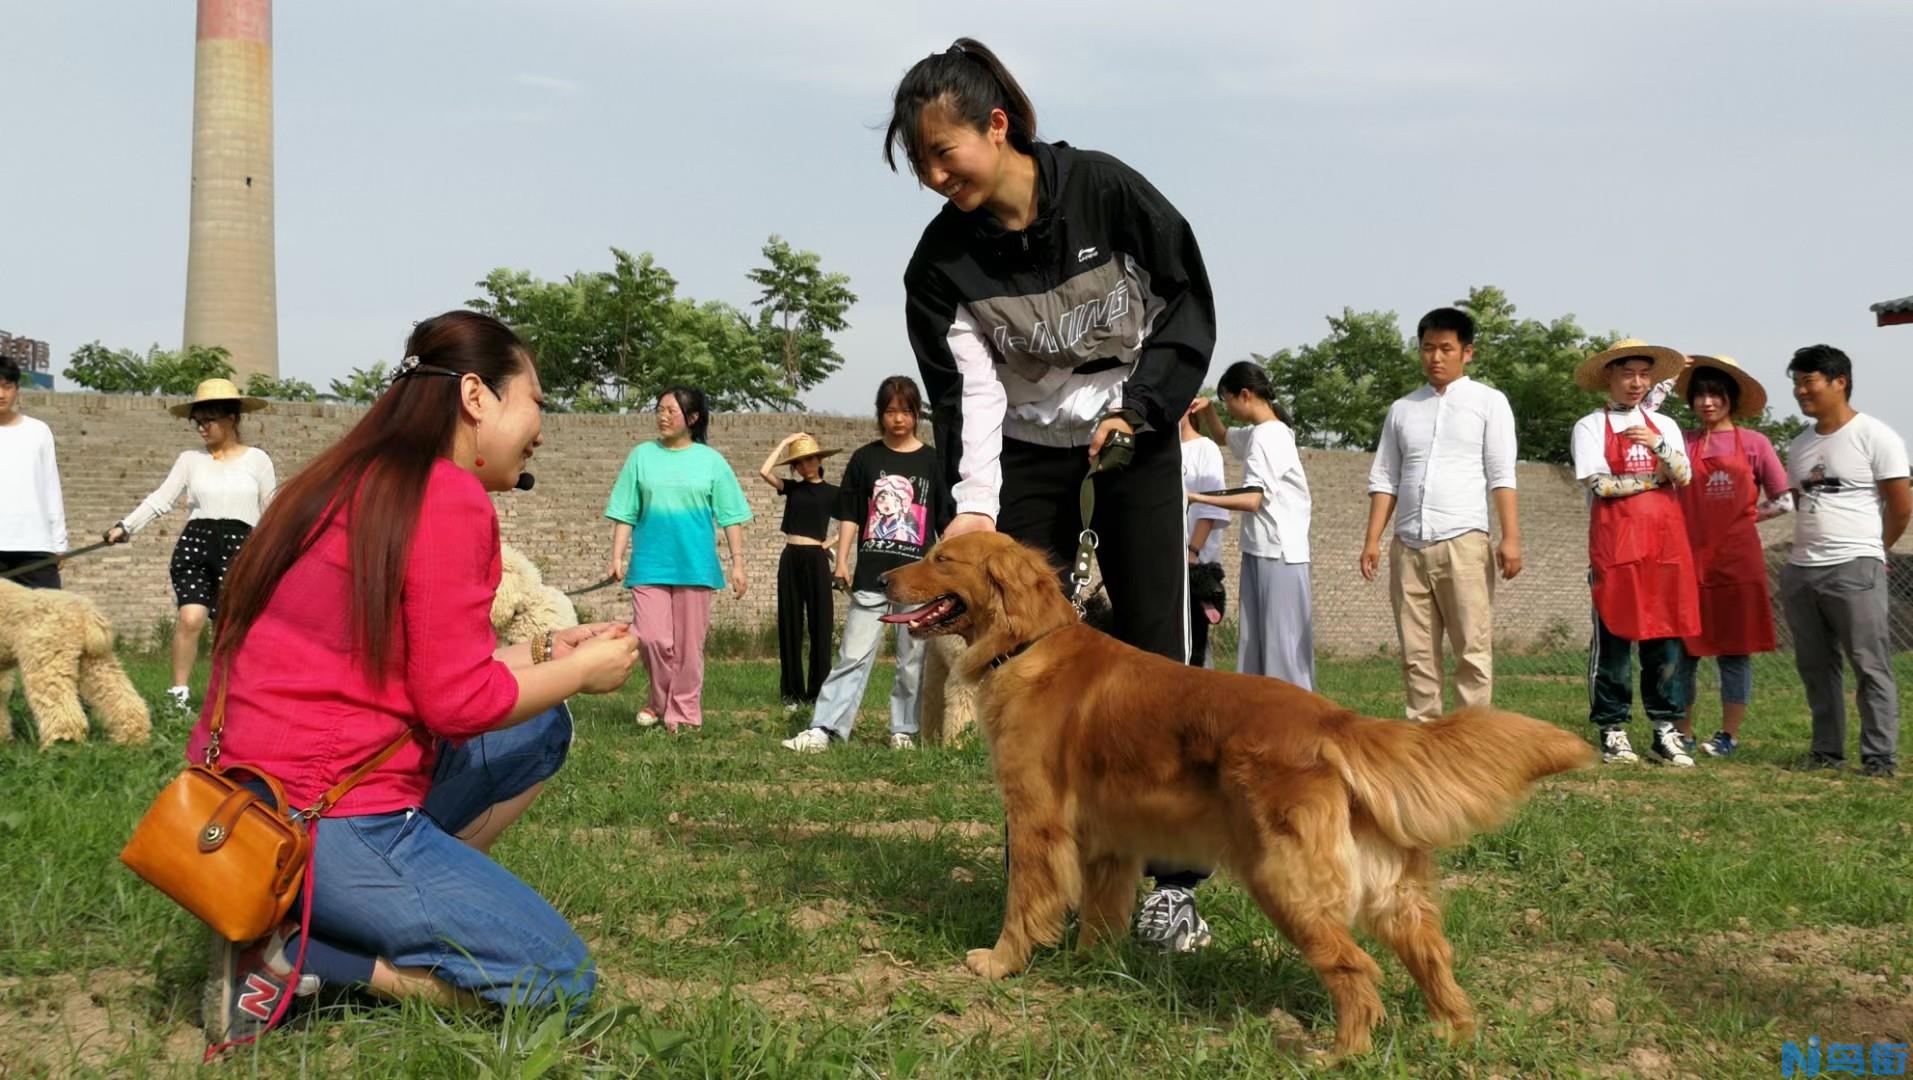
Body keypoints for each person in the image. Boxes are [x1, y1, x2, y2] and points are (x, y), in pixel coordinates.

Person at [190, 311, 640, 1045]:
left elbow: (430, 675)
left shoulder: (335, 482)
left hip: (242, 804)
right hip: (327, 815)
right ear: (475, 397)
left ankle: (384, 905)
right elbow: (458, 703)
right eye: (536, 401)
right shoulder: (447, 497)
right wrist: (586, 672)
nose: (542, 428)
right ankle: (305, 954)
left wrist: (554, 647)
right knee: (558, 980)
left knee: (539, 725)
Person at [886, 38, 1218, 951]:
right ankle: (1038, 869)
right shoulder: (940, 266)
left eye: (941, 152)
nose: (932, 175)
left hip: (1129, 437)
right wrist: (976, 508)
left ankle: (1172, 884)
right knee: (1014, 661)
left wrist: (1140, 408)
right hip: (1023, 456)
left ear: (996, 127)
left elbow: (1184, 303)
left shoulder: (1106, 192)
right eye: (918, 163)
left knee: (1157, 653)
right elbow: (968, 396)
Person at [1360, 308, 1521, 722]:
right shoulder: (1403, 409)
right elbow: (1386, 477)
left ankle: (1472, 744)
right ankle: (1423, 741)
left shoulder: (1488, 402)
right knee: (1416, 654)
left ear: (1467, 352)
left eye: (1446, 348)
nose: (1435, 357)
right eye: (1428, 348)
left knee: (1472, 649)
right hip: (1408, 544)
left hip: (1463, 540)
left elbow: (1501, 473)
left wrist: (1510, 537)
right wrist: (1373, 540)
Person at [783, 377, 948, 753]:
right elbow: (851, 515)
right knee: (853, 654)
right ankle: (825, 727)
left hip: (918, 582)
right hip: (872, 575)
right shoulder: (865, 459)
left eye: (905, 411)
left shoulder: (931, 461)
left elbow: (944, 523)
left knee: (912, 658)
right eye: (890, 411)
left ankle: (903, 730)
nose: (898, 419)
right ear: (880, 415)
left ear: (917, 414)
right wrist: (841, 559)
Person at [105, 378, 277, 717]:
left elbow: (272, 510)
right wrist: (126, 526)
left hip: (243, 549)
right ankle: (178, 697)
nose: (202, 428)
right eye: (197, 421)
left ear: (232, 418)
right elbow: (161, 499)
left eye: (209, 420)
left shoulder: (257, 460)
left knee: (232, 629)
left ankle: (233, 699)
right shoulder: (190, 460)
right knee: (190, 617)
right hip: (196, 545)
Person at [1780, 345, 1910, 778]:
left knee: (1869, 663)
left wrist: (1874, 549)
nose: (1800, 391)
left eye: (1809, 380)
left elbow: (1901, 505)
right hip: (1802, 568)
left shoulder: (1876, 436)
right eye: (1796, 382)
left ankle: (1878, 757)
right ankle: (1826, 750)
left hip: (1855, 565)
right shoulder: (1799, 444)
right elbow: (1802, 503)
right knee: (1815, 665)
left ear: (1840, 382)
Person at [1570, 340, 1700, 767]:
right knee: (1614, 643)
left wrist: (1658, 445)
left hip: (1664, 549)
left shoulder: (1665, 424)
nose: (1637, 382)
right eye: (1628, 373)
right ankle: (1613, 729)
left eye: (1645, 374)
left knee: (1665, 640)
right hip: (1616, 550)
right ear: (1610, 376)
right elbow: (1600, 484)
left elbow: (1683, 474)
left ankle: (1665, 731)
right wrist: (1651, 481)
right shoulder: (1590, 426)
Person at [605, 386, 752, 734]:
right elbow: (625, 511)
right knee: (652, 638)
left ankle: (683, 713)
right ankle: (659, 701)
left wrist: (738, 564)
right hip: (649, 565)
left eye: (671, 410)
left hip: (696, 565)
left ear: (693, 418)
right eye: (659, 409)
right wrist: (616, 556)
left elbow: (731, 516)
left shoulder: (711, 461)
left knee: (688, 647)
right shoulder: (641, 456)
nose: (662, 415)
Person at [1668, 357, 1791, 758]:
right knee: (1684, 652)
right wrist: (1669, 373)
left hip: (1738, 562)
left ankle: (1727, 735)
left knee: (1734, 652)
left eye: (1715, 394)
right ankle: (1682, 732)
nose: (1706, 402)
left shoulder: (1755, 443)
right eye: (1699, 394)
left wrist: (1750, 516)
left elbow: (1784, 500)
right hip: (1688, 561)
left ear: (1730, 400)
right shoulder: (1682, 442)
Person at [1188, 362, 1314, 688]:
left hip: (1280, 555)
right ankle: (1265, 721)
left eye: (1228, 400)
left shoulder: (1270, 437)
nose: (1228, 408)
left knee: (1282, 650)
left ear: (1245, 395)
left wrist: (1198, 497)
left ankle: (1297, 721)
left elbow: (1253, 499)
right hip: (1261, 551)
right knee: (1257, 646)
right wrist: (1209, 410)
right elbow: (1223, 436)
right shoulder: (1259, 433)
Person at [757, 432, 841, 711]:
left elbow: (857, 520)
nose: (805, 466)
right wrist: (783, 444)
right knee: (790, 623)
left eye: (810, 459)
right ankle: (792, 694)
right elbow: (764, 471)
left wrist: (829, 544)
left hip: (816, 559)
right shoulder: (792, 488)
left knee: (821, 625)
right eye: (800, 462)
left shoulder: (832, 492)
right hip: (790, 558)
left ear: (819, 460)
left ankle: (818, 693)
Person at [0, 357, 68, 589]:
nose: (1, 394)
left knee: (50, 619)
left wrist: (59, 542)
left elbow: (51, 488)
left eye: (7, 387)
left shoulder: (38, 432)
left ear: (17, 389)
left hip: (35, 546)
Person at [1180, 401, 1228, 668]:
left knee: (1197, 641)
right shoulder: (1159, 450)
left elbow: (1212, 506)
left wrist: (1192, 551)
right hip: (1164, 562)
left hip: (1195, 563)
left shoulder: (1205, 449)